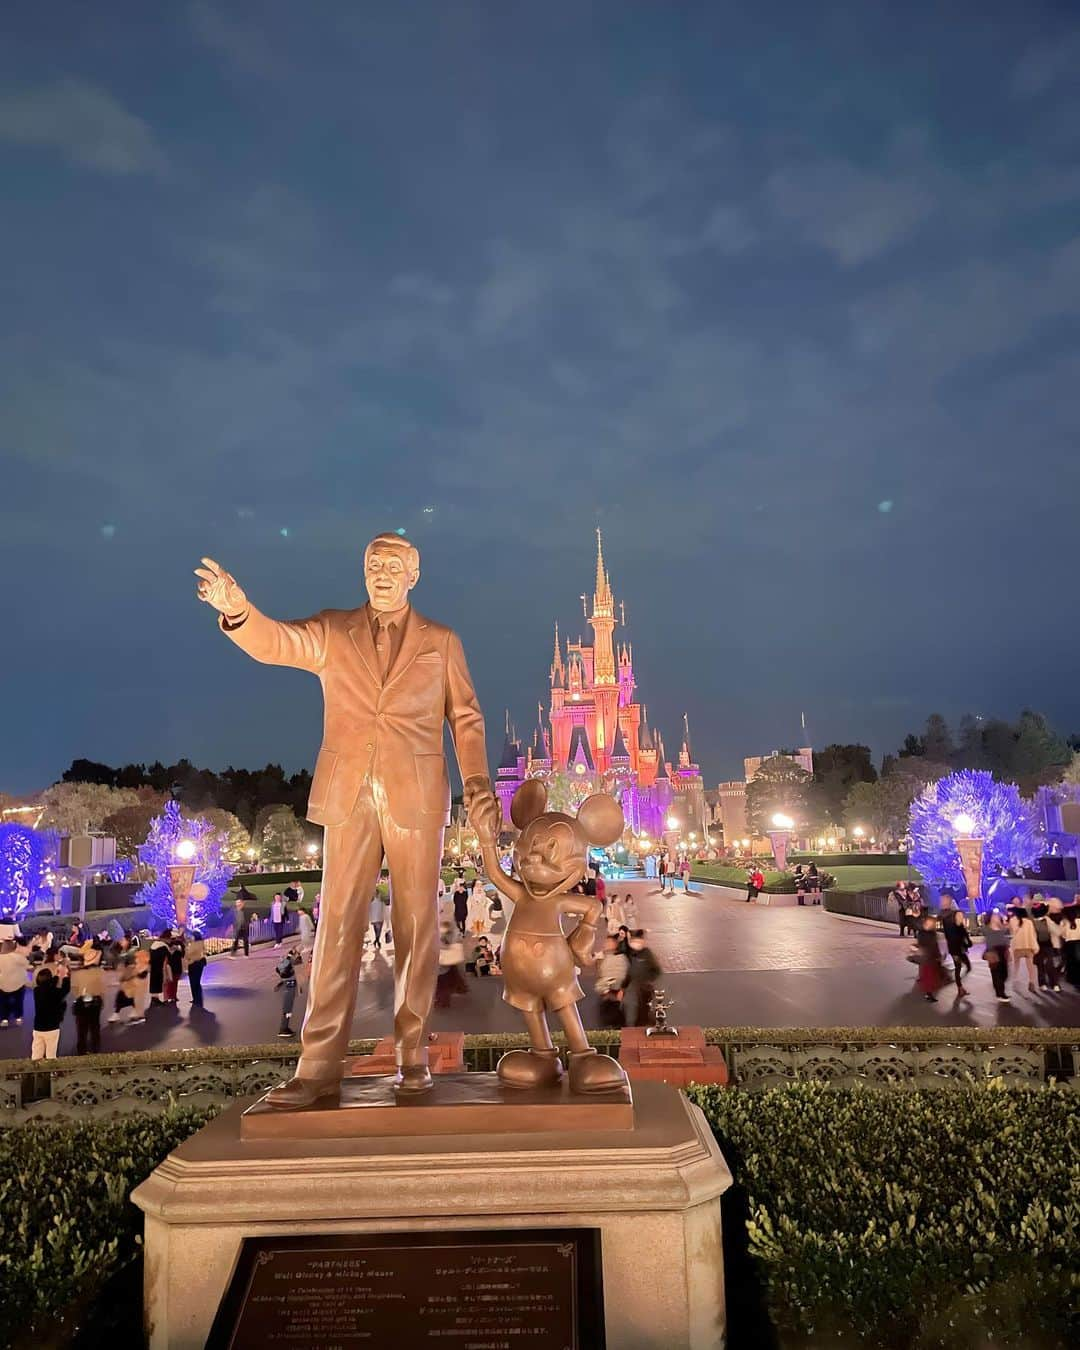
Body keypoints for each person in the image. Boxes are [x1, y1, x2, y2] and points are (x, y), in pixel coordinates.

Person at [70, 941, 105, 1054]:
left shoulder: (77, 973)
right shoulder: (100, 972)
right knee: (95, 1027)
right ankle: (95, 1049)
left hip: (82, 1002)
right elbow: (102, 989)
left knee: (81, 1029)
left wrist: (79, 996)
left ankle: (81, 1050)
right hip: (95, 1002)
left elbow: (74, 989)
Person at [31, 962, 69, 1060]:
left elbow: (48, 985)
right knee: (51, 1055)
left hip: (38, 1027)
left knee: (36, 1053)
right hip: (52, 1027)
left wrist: (56, 976)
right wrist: (65, 976)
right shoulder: (56, 993)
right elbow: (66, 989)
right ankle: (51, 1073)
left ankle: (35, 1072)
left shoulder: (36, 991)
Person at [938, 895, 972, 997]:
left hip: (956, 946)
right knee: (960, 967)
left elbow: (961, 929)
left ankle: (959, 985)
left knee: (964, 965)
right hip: (955, 946)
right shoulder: (952, 914)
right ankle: (960, 988)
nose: (942, 902)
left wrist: (967, 940)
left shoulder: (947, 914)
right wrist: (967, 940)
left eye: (944, 901)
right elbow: (961, 929)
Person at [627, 929, 661, 1027]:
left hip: (645, 988)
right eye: (633, 941)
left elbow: (656, 970)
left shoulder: (647, 953)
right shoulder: (631, 953)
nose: (635, 944)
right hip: (634, 988)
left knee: (644, 1008)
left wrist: (648, 980)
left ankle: (648, 1025)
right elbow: (630, 971)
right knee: (636, 1008)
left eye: (637, 941)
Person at [594, 934, 630, 1028]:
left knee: (617, 1023)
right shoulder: (603, 959)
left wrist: (618, 990)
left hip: (616, 995)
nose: (606, 944)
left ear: (615, 944)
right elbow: (601, 976)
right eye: (606, 942)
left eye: (609, 942)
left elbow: (622, 975)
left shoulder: (620, 958)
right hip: (605, 996)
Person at [434, 921, 467, 1007]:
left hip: (444, 964)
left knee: (443, 984)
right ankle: (442, 999)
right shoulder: (442, 938)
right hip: (442, 964)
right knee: (442, 983)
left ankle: (443, 1000)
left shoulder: (447, 939)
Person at [914, 914, 945, 1002]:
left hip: (931, 958)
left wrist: (938, 955)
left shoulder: (932, 934)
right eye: (929, 923)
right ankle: (928, 994)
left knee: (932, 976)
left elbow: (935, 946)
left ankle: (929, 992)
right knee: (929, 976)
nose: (931, 925)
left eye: (932, 923)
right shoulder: (923, 933)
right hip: (927, 959)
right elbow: (923, 945)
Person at [982, 911, 1012, 1002]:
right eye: (994, 916)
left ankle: (999, 988)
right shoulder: (986, 929)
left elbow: (1007, 938)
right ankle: (1000, 993)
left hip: (1003, 951)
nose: (997, 918)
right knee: (996, 973)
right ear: (990, 918)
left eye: (997, 916)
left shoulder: (1003, 928)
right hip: (993, 953)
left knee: (1005, 973)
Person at [1008, 907, 1038, 993]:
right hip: (1028, 946)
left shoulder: (1012, 921)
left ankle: (1015, 981)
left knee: (1015, 965)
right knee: (1030, 966)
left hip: (1017, 946)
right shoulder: (1029, 922)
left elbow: (1011, 933)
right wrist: (1034, 947)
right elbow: (1033, 935)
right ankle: (1031, 982)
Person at [274, 948, 303, 1038]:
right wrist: (297, 954)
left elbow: (279, 970)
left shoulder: (286, 961)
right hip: (290, 986)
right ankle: (283, 1029)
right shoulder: (289, 961)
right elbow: (299, 962)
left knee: (287, 1009)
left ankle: (285, 1027)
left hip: (288, 985)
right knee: (287, 1009)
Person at [0, 939, 30, 1026]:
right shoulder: (18, 957)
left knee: (3, 1001)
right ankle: (18, 1017)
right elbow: (27, 964)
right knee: (19, 1000)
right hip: (18, 983)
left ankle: (4, 1019)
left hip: (3, 984)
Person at [1030, 900, 1056, 991]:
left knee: (1050, 964)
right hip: (1037, 945)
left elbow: (1055, 930)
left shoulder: (1047, 920)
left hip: (1048, 944)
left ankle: (1054, 983)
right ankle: (1042, 983)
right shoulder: (1032, 922)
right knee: (1040, 965)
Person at [1045, 898, 1066, 991]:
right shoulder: (1047, 919)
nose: (1059, 910)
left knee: (1057, 964)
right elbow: (1058, 931)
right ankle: (1054, 983)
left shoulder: (1061, 918)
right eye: (1057, 908)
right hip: (1050, 945)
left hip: (1060, 944)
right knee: (1050, 964)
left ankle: (1053, 981)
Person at [185, 930, 206, 1009]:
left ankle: (196, 999)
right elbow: (203, 952)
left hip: (193, 964)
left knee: (193, 982)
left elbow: (188, 954)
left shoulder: (194, 944)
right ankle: (198, 998)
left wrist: (187, 946)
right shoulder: (201, 943)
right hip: (200, 964)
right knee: (197, 981)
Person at [148, 931, 170, 1005]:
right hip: (159, 967)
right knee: (157, 982)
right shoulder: (163, 946)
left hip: (153, 966)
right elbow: (166, 958)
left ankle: (154, 998)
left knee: (153, 982)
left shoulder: (154, 944)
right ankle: (155, 1000)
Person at [163, 933, 184, 1004]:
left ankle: (173, 996)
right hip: (172, 967)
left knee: (174, 982)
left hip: (175, 967)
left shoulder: (179, 946)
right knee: (171, 982)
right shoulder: (167, 946)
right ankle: (170, 996)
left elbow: (182, 955)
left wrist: (178, 949)